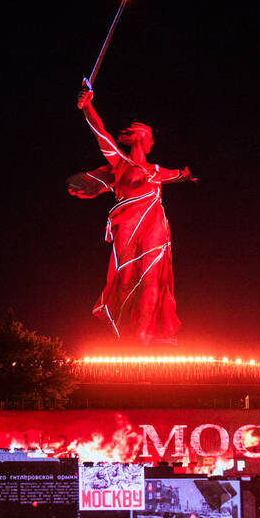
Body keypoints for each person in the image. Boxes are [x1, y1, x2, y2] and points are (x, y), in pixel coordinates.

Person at [68, 89, 197, 345]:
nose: (152, 143)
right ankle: (126, 332)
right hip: (126, 223)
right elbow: (100, 133)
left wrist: (190, 174)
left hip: (154, 226)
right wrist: (87, 107)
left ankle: (144, 331)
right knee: (126, 278)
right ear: (141, 137)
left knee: (151, 277)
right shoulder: (120, 163)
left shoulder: (156, 171)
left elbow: (184, 174)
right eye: (149, 138)